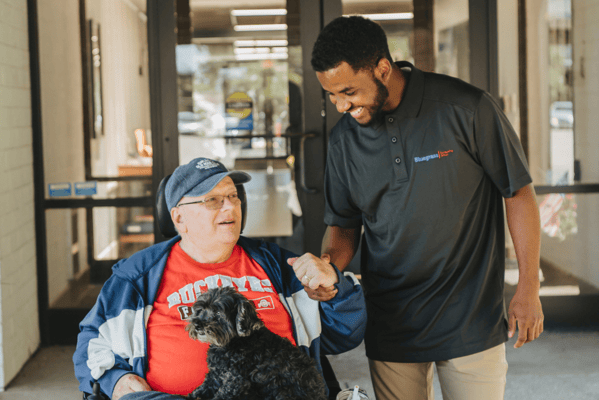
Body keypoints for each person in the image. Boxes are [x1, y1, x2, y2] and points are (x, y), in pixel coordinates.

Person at [310, 16, 544, 400]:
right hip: (391, 323)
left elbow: (517, 193)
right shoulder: (343, 142)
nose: (340, 105)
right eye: (331, 94)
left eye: (348, 91)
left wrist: (528, 287)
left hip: (470, 317)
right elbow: (344, 225)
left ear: (383, 69)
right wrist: (328, 267)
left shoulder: (466, 108)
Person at [73, 157, 366, 400]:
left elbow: (343, 335)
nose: (230, 207)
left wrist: (335, 288)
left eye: (233, 197)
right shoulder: (138, 276)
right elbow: (92, 342)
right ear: (178, 218)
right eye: (212, 200)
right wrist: (117, 379)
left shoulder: (278, 265)